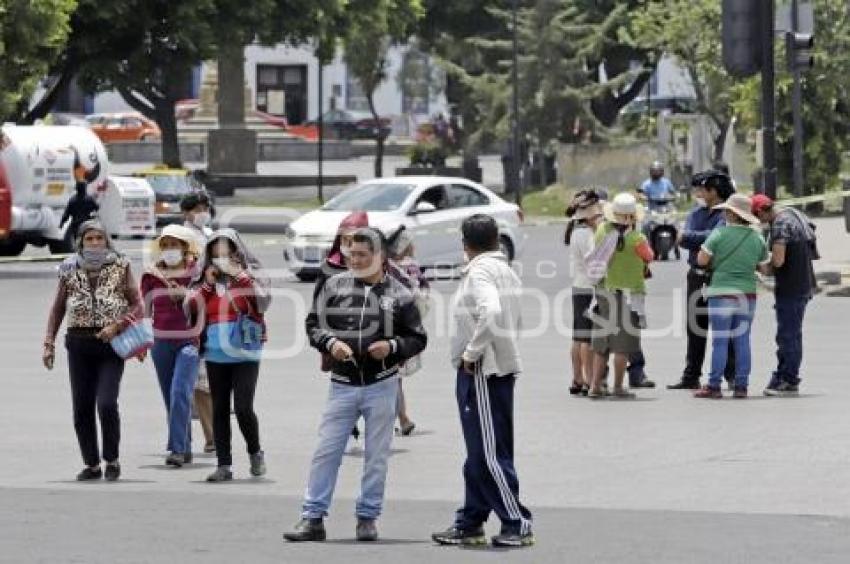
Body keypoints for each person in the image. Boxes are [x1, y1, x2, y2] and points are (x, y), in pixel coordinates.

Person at [285, 228, 427, 543]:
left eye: (364, 254)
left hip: (383, 384)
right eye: (352, 254)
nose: (356, 260)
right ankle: (312, 517)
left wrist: (391, 347)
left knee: (376, 456)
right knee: (327, 451)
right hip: (342, 384)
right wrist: (330, 342)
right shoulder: (332, 286)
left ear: (381, 257)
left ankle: (367, 517)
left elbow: (418, 338)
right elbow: (313, 325)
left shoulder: (401, 295)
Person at [432, 214, 534, 549]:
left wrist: (471, 354)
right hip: (498, 369)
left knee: (488, 453)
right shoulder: (504, 269)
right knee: (481, 451)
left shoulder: (479, 271)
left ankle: (516, 522)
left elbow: (489, 313)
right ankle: (471, 521)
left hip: (483, 372)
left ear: (466, 244)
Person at [43, 220, 142, 481]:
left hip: (111, 345)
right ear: (81, 243)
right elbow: (57, 308)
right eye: (90, 239)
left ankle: (112, 458)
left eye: (100, 238)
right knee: (82, 408)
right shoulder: (68, 267)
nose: (96, 243)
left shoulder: (121, 265)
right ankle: (92, 464)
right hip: (78, 344)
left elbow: (137, 305)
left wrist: (117, 325)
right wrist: (48, 342)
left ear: (107, 241)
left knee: (107, 404)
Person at [186, 229, 271, 482]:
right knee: (220, 408)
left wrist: (241, 277)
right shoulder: (204, 277)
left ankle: (255, 452)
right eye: (216, 249)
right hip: (215, 353)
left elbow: (264, 303)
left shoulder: (249, 273)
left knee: (243, 407)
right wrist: (208, 284)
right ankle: (224, 464)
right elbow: (189, 306)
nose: (221, 255)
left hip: (245, 351)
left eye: (227, 248)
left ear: (236, 250)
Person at [694, 194, 767, 399]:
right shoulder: (757, 237)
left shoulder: (719, 234)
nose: (724, 213)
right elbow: (765, 267)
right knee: (743, 340)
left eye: (726, 211)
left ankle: (714, 385)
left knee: (720, 341)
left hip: (721, 293)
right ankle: (742, 386)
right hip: (748, 294)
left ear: (732, 214)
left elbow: (701, 260)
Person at [669, 171, 737, 390]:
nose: (697, 193)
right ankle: (691, 375)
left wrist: (688, 238)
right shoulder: (696, 212)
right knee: (695, 327)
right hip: (696, 276)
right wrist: (691, 238)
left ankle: (731, 375)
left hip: (719, 276)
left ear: (713, 191)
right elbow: (691, 236)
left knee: (723, 328)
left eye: (701, 188)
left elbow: (714, 238)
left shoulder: (728, 214)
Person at [141, 225, 202, 467]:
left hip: (190, 340)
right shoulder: (151, 275)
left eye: (174, 244)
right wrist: (144, 341)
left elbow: (208, 301)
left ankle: (176, 449)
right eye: (165, 245)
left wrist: (186, 295)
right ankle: (184, 443)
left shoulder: (196, 273)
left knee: (180, 392)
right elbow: (145, 309)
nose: (169, 250)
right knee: (170, 396)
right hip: (160, 341)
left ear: (185, 247)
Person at [589, 193, 654, 399]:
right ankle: (617, 386)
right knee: (622, 346)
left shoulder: (601, 230)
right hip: (627, 295)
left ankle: (595, 386)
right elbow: (649, 257)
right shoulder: (637, 239)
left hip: (603, 291)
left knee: (602, 343)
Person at [752, 194, 818, 396]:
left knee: (788, 335)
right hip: (803, 282)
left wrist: (760, 266)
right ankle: (783, 375)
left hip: (791, 286)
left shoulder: (780, 224)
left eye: (757, 215)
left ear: (763, 210)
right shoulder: (794, 214)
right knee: (790, 334)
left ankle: (789, 380)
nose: (758, 219)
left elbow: (778, 261)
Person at [387, 226, 430, 435]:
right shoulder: (411, 266)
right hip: (407, 327)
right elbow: (424, 290)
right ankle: (403, 418)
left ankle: (401, 418)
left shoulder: (387, 267)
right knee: (395, 378)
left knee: (389, 377)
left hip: (389, 326)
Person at [180, 192, 215, 453]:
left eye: (205, 207)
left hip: (213, 308)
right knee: (198, 379)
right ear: (187, 212)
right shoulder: (181, 238)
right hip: (192, 310)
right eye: (198, 208)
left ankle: (210, 433)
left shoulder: (210, 233)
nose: (203, 212)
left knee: (205, 377)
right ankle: (206, 436)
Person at [564, 190, 605, 395]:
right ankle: (589, 379)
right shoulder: (587, 235)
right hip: (589, 288)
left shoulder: (575, 232)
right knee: (587, 338)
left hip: (578, 286)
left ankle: (577, 378)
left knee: (578, 337)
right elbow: (594, 262)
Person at [59, 160, 100, 244]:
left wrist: (61, 224)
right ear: (85, 188)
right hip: (87, 224)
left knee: (78, 242)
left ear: (76, 188)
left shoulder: (73, 200)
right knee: (87, 242)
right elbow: (97, 207)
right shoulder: (90, 199)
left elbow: (66, 214)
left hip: (76, 225)